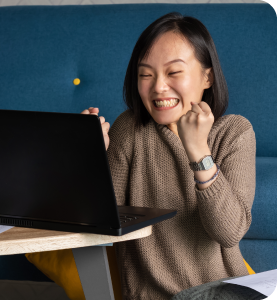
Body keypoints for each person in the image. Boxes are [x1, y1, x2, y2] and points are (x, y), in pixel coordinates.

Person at [81, 12, 266, 300]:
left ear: (207, 76)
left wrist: (198, 151)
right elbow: (97, 224)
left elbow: (229, 234)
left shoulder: (235, 132)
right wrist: (91, 157)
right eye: (145, 74)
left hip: (222, 293)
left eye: (173, 72)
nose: (158, 87)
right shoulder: (129, 129)